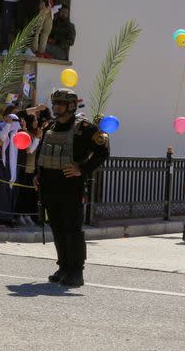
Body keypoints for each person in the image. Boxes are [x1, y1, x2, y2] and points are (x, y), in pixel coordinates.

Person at [34, 89, 109, 287]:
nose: (56, 106)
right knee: (57, 227)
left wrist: (81, 169)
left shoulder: (85, 128)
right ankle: (64, 266)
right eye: (55, 103)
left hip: (70, 187)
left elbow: (103, 151)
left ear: (72, 106)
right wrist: (37, 175)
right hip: (49, 187)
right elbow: (41, 153)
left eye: (60, 103)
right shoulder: (50, 126)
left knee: (72, 229)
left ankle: (76, 271)